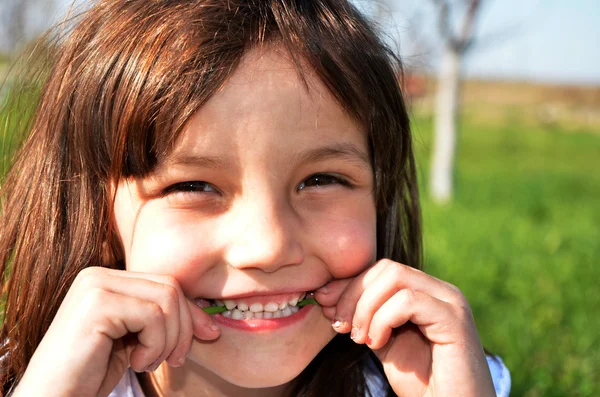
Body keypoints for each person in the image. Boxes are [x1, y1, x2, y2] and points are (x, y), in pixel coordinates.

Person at [0, 0, 510, 396]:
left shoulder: (444, 381)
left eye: (322, 180)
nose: (269, 246)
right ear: (94, 210)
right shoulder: (39, 384)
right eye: (194, 186)